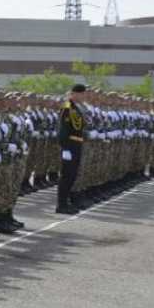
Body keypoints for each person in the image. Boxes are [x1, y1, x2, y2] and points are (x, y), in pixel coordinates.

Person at [56, 83, 88, 214]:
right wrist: (65, 148)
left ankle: (66, 202)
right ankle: (61, 205)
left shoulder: (77, 108)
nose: (83, 96)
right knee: (67, 175)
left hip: (77, 144)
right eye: (81, 94)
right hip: (69, 145)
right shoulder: (67, 106)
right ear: (74, 94)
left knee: (72, 175)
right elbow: (63, 129)